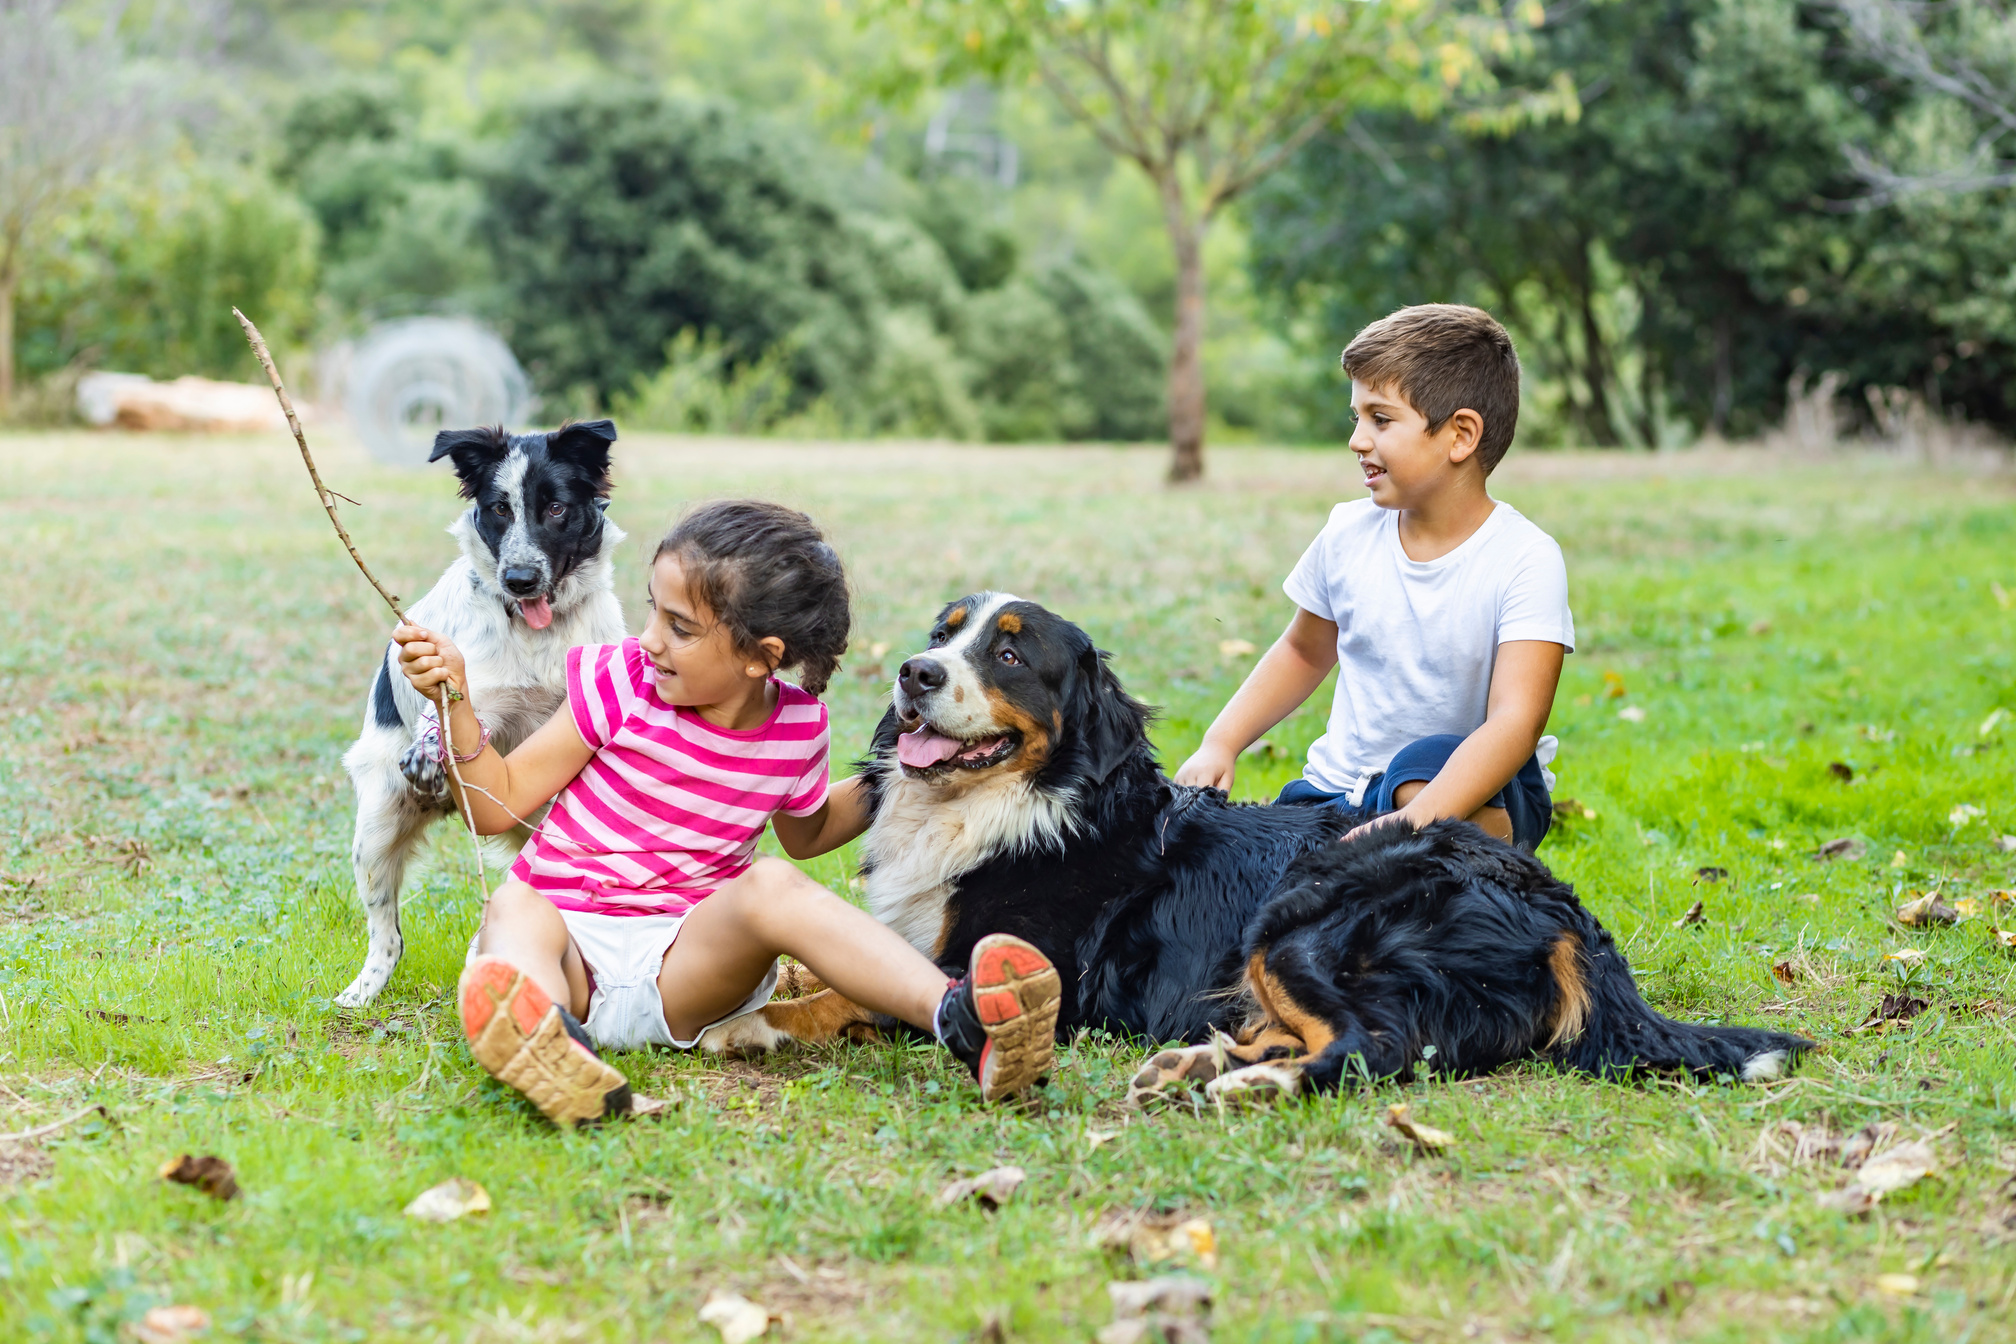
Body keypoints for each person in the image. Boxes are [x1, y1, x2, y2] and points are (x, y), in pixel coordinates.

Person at [393, 500, 1061, 1128]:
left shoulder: (797, 728)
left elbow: (807, 837)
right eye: (653, 612)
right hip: (568, 956)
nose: (650, 639)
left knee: (771, 883)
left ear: (761, 657)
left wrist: (917, 770)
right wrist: (455, 703)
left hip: (688, 965)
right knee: (518, 907)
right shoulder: (618, 681)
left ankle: (960, 1020)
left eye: (679, 628)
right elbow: (498, 805)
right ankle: (544, 1038)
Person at [1174, 304, 1574, 850]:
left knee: (1418, 768)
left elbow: (1515, 722)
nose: (1357, 439)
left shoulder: (1525, 558)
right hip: (1343, 792)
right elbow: (1303, 651)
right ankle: (1379, 850)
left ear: (1460, 436)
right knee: (1256, 872)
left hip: (1475, 789)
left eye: (1380, 419)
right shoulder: (1347, 533)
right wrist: (1221, 742)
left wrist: (1406, 825)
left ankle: (1485, 848)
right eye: (1356, 418)